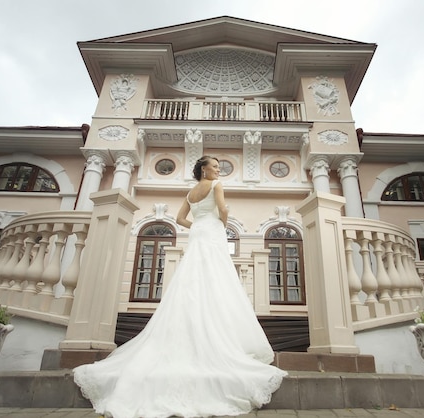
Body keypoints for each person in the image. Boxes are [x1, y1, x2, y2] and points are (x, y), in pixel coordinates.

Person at [73, 156, 287, 418]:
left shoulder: (190, 192)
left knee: (193, 276)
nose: (218, 169)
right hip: (212, 232)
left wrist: (198, 224)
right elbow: (223, 210)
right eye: (215, 166)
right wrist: (222, 219)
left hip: (198, 232)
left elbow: (180, 219)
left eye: (219, 167)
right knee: (217, 278)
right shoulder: (216, 185)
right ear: (204, 169)